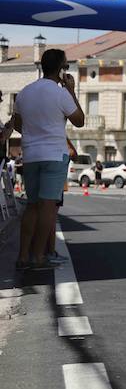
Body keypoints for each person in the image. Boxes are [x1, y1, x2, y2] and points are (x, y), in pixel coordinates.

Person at [13, 48, 85, 271]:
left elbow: (16, 125)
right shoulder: (61, 93)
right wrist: (71, 89)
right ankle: (39, 256)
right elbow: (80, 120)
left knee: (32, 205)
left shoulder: (25, 92)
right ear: (62, 69)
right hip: (54, 154)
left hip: (31, 155)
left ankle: (23, 256)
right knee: (48, 207)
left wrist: (34, 128)